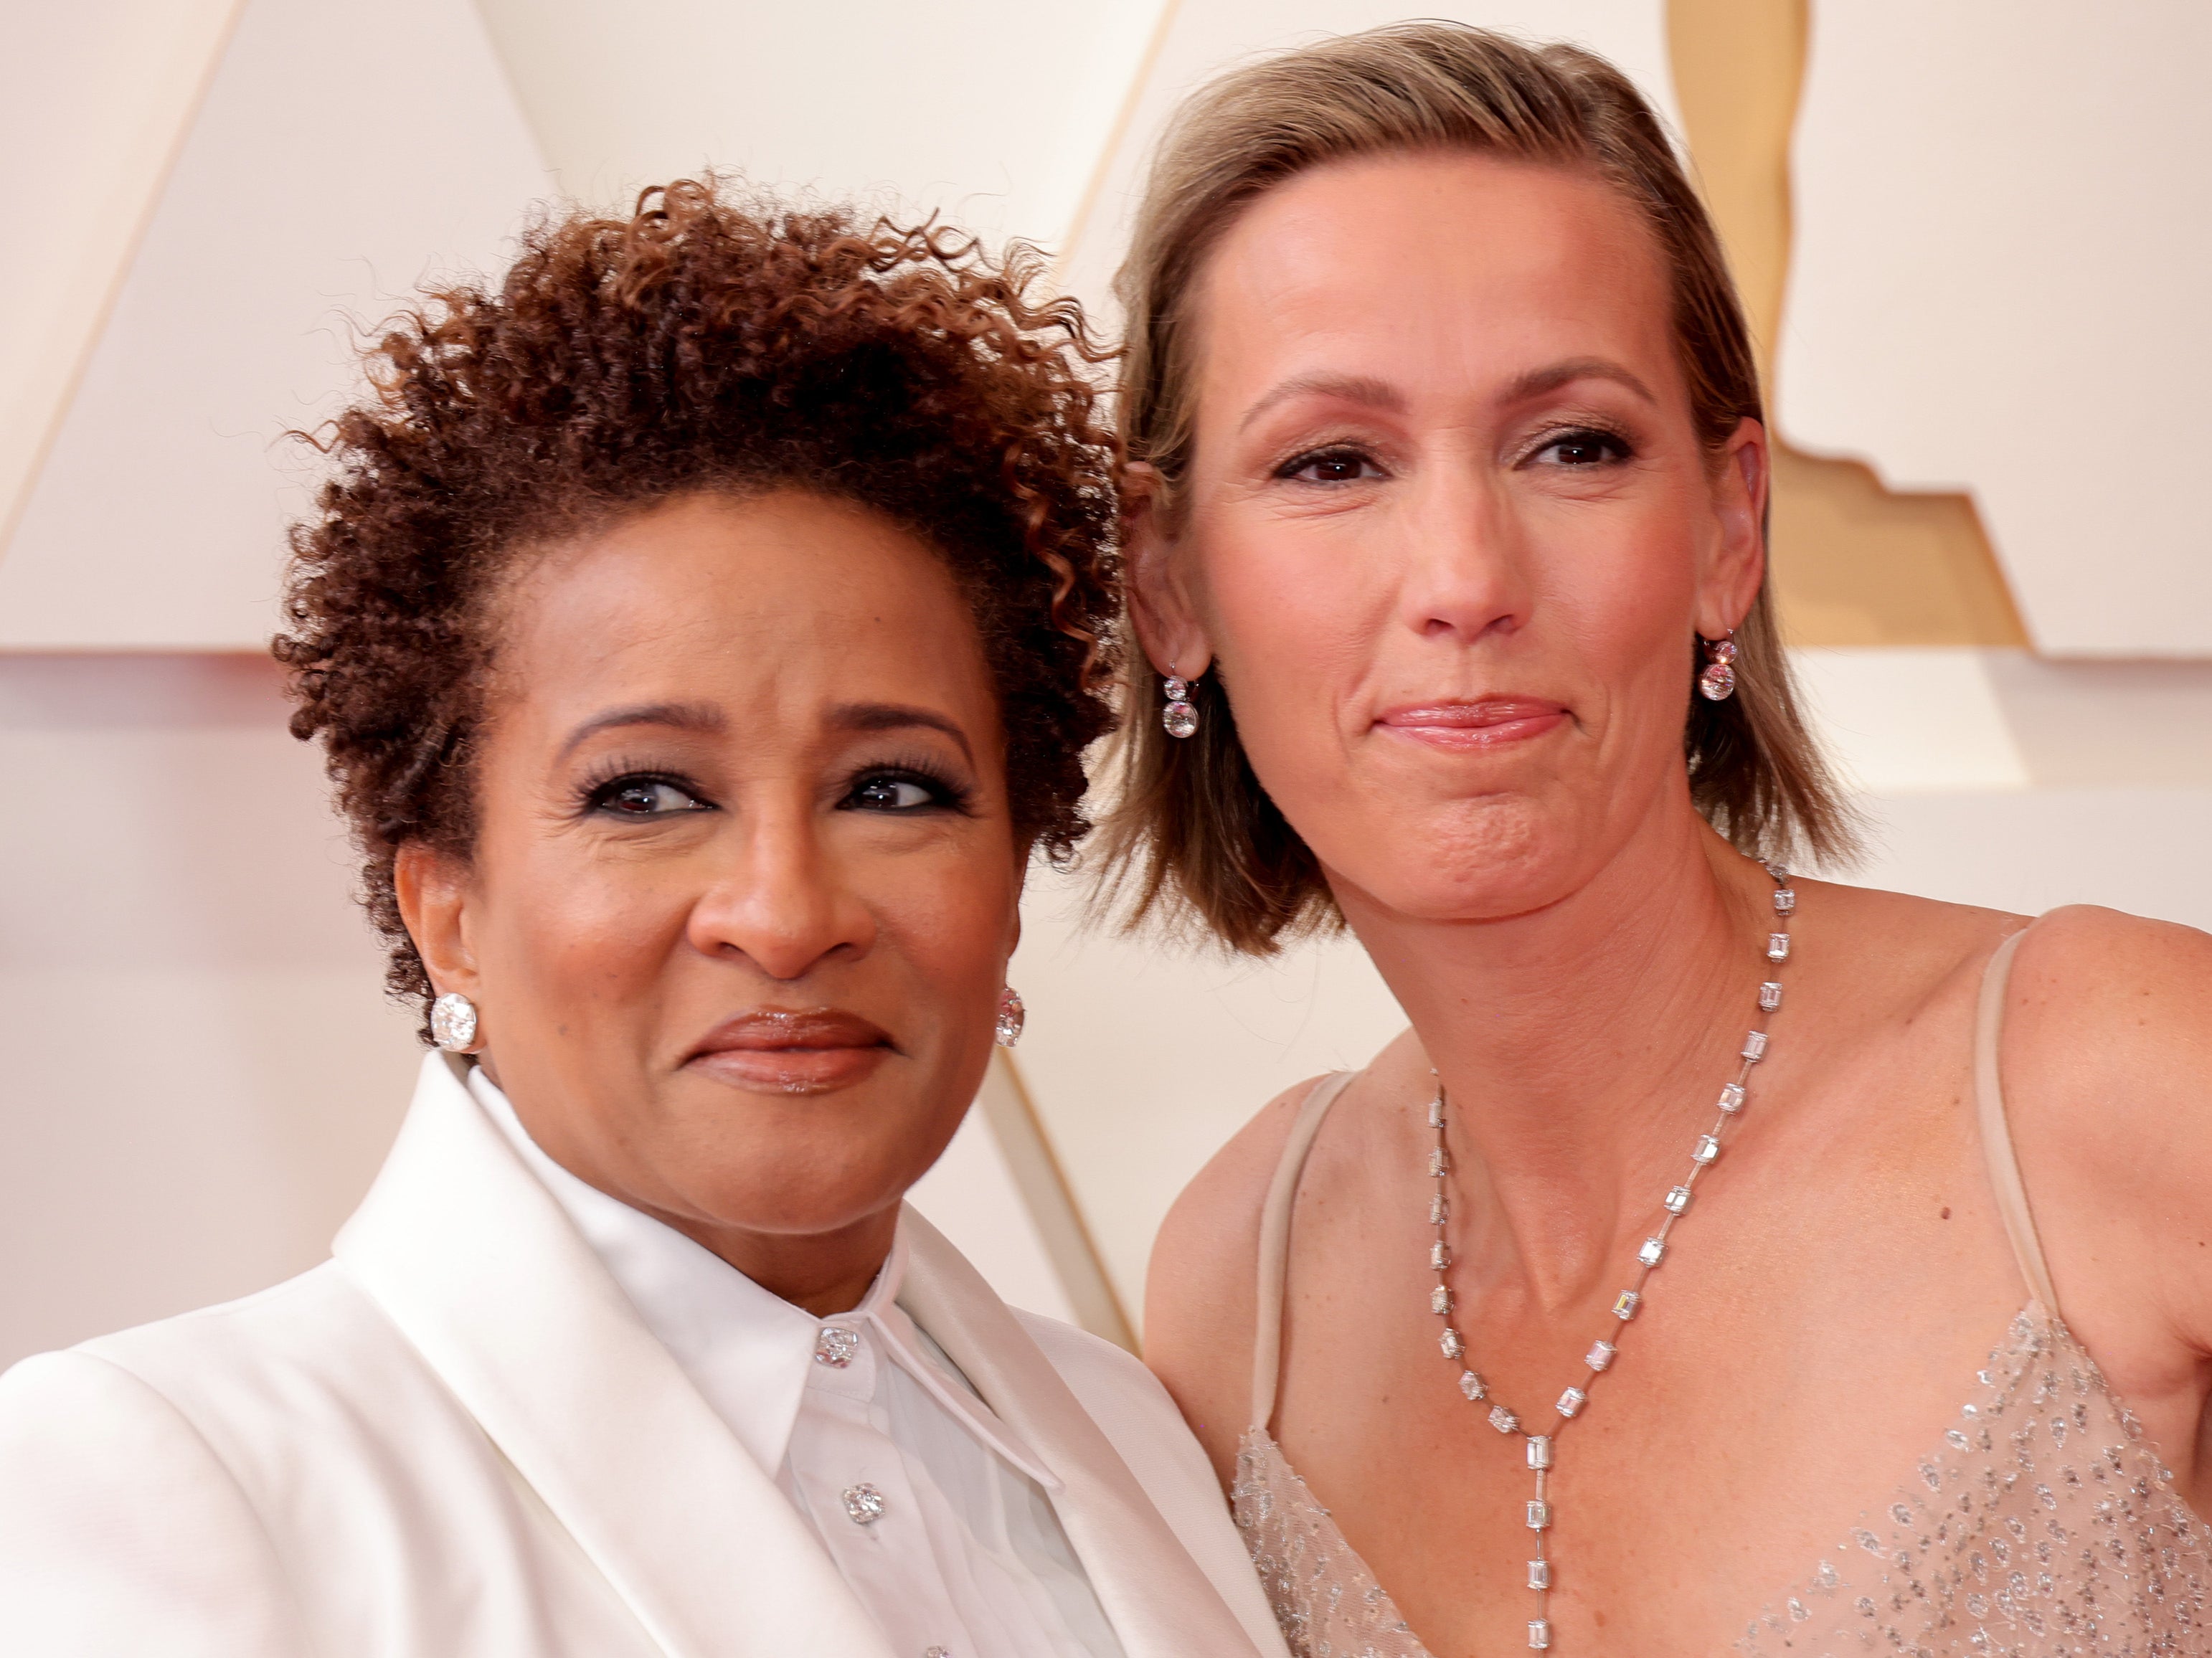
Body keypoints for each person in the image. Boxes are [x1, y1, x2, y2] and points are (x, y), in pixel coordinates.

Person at [0, 180, 1284, 1658]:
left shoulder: (1142, 1435)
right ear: (449, 910)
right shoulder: (182, 1480)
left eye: (894, 786)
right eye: (648, 796)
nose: (788, 914)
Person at [1105, 23, 2212, 1658]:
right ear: (1169, 583)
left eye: (1573, 446)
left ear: (1728, 527)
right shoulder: (1235, 1289)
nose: (1464, 575)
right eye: (1332, 461)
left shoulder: (2121, 1085)